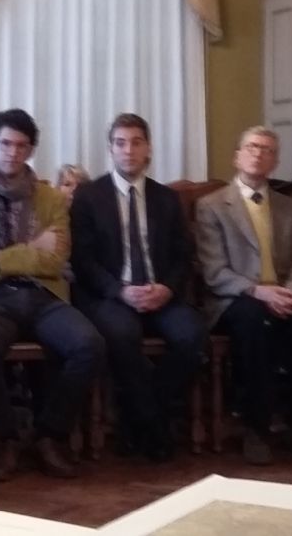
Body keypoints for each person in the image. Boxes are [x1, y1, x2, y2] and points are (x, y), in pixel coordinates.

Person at [0, 109, 104, 481]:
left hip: (43, 294)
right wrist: (31, 250)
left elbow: (54, 261)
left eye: (22, 146)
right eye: (5, 143)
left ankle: (49, 435)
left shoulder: (51, 199)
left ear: (32, 150)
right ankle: (6, 438)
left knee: (89, 345)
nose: (13, 152)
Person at [70, 114, 205, 462]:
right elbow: (83, 261)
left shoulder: (166, 198)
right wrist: (120, 291)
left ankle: (139, 420)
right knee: (122, 334)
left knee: (192, 335)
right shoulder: (89, 196)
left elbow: (183, 256)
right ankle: (154, 428)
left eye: (136, 142)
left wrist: (167, 289)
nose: (128, 150)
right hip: (110, 295)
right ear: (111, 149)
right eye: (120, 143)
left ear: (148, 149)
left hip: (161, 293)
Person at [194, 126, 292, 466]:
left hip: (284, 294)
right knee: (255, 323)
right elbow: (214, 271)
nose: (258, 154)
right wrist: (258, 291)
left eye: (267, 149)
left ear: (275, 161)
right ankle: (256, 427)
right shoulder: (211, 206)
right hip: (235, 298)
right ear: (237, 157)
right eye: (252, 147)